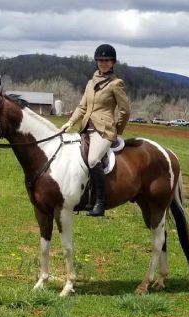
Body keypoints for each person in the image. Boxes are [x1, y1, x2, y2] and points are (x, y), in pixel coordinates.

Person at [61, 44, 130, 217]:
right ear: (96, 62)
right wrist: (70, 122)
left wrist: (116, 129)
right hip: (86, 128)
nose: (103, 63)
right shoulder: (90, 83)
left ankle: (100, 202)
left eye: (106, 61)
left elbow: (125, 110)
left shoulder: (116, 84)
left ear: (113, 62)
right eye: (100, 60)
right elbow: (82, 106)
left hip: (104, 131)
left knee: (92, 160)